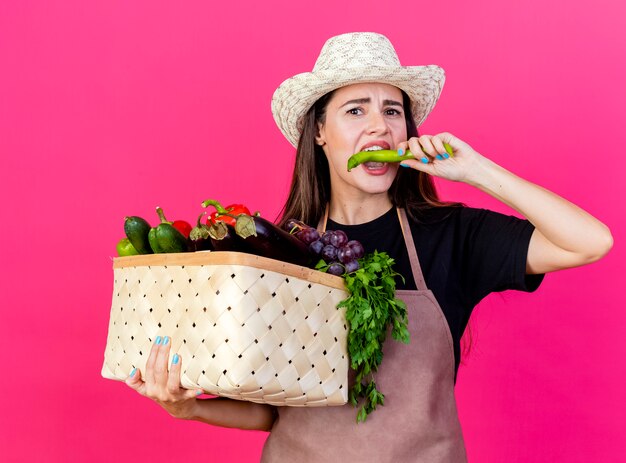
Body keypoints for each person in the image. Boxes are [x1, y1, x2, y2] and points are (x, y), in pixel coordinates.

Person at [125, 32, 613, 462]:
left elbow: (590, 242)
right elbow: (274, 411)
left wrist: (476, 170)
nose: (379, 127)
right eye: (356, 109)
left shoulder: (451, 235)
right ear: (318, 132)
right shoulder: (280, 250)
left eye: (393, 111)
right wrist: (186, 408)